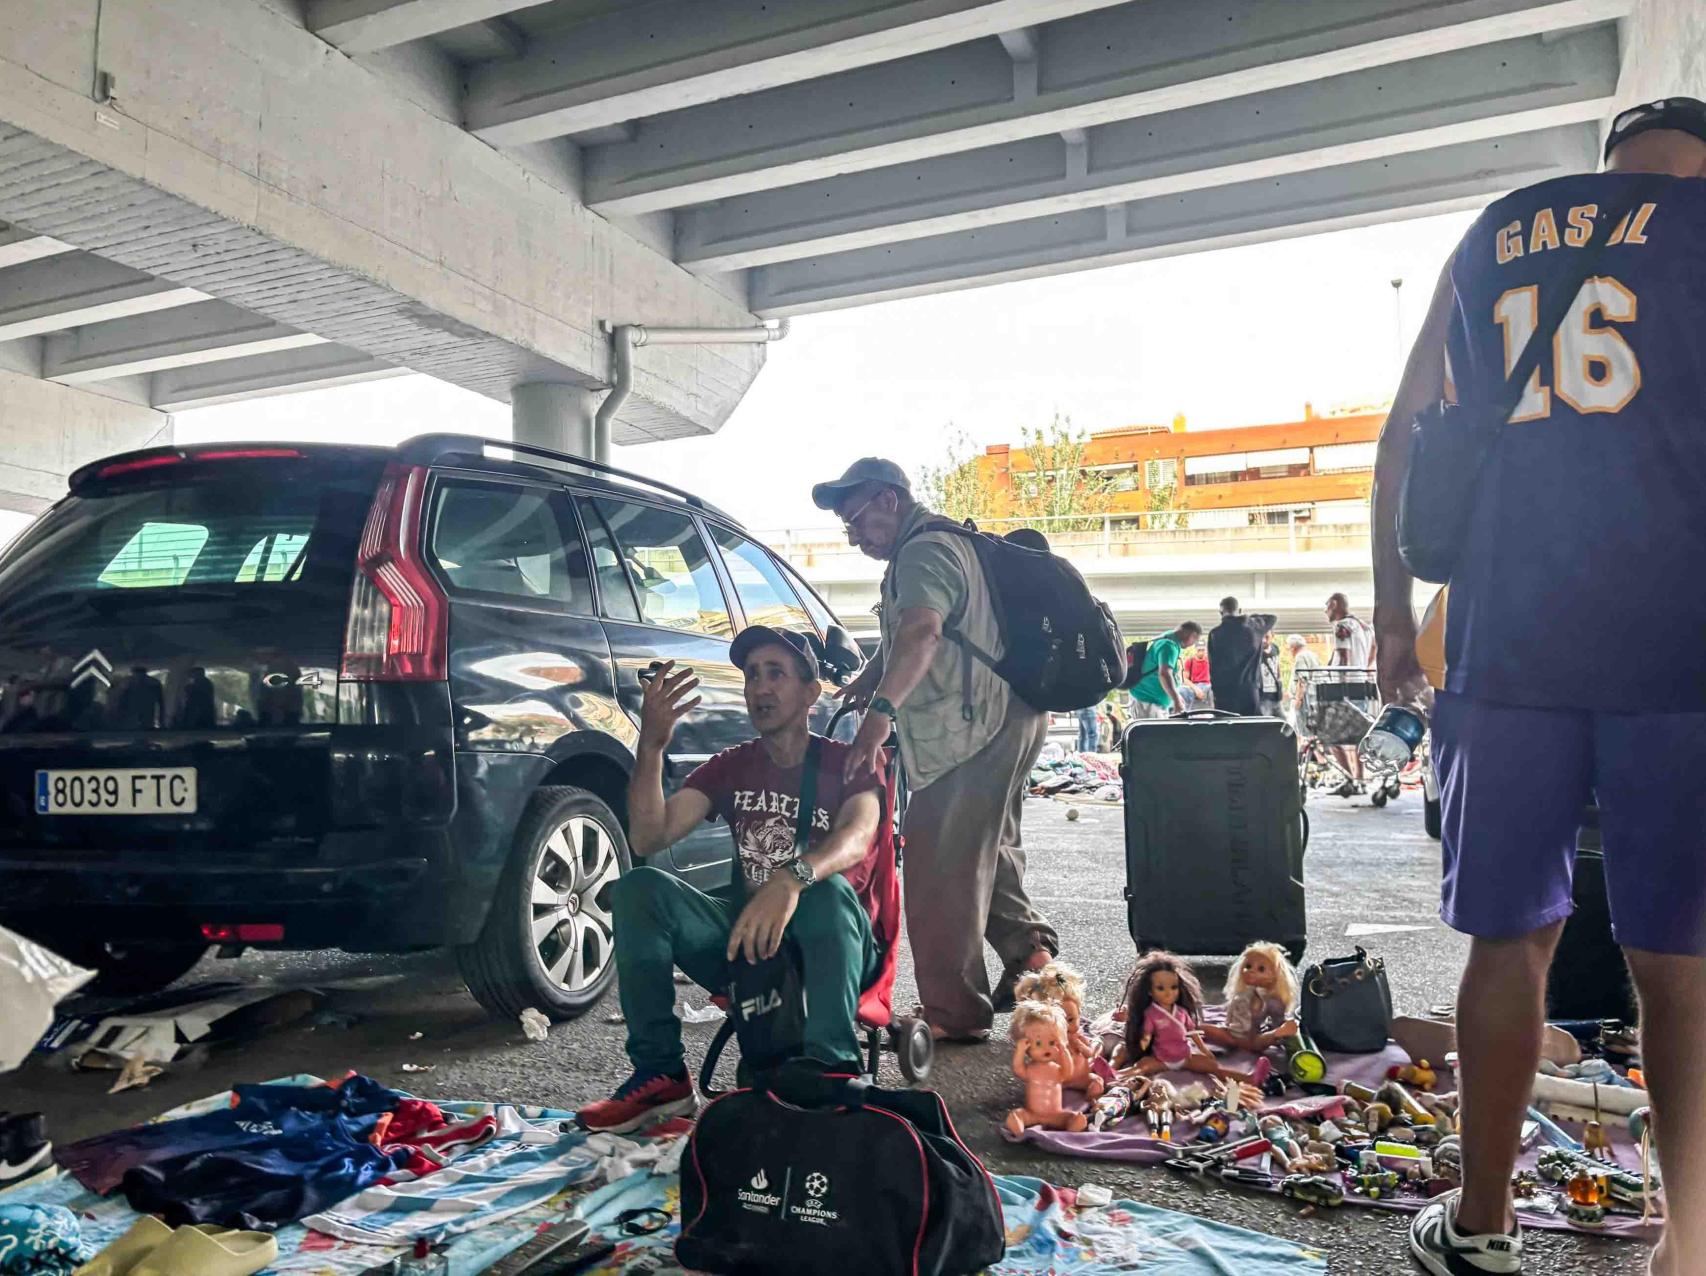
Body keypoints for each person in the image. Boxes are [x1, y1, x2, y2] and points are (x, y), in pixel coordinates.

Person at [1371, 98, 1706, 1276]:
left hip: (1506, 642)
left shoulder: (1498, 231)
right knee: (1678, 962)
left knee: (1504, 942)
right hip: (1680, 649)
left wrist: (1389, 614)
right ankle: (1685, 1246)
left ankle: (1481, 1225)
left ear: (1611, 159)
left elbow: (1406, 427)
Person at [576, 627, 882, 1133]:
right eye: (752, 676)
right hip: (750, 939)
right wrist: (650, 746)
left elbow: (858, 835)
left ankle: (830, 1070)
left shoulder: (841, 762)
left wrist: (793, 878)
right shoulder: (732, 766)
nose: (760, 688)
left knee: (825, 889)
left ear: (811, 693)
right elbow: (650, 835)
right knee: (639, 888)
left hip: (833, 943)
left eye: (776, 674)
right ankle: (661, 1075)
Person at [812, 458, 1058, 1041]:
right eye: (847, 527)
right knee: (986, 848)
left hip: (972, 727)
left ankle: (954, 1014)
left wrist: (878, 718)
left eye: (859, 520)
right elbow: (922, 633)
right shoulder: (948, 542)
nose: (855, 536)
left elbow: (923, 633)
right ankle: (1037, 967)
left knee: (939, 868)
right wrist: (871, 677)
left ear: (891, 500)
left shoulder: (922, 553)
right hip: (1013, 716)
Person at [1325, 591, 1375, 795]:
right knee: (1358, 736)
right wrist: (1362, 668)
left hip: (1343, 689)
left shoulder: (1341, 626)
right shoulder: (1364, 626)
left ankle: (1349, 778)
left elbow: (1343, 656)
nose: (1325, 611)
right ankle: (1361, 780)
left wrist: (1341, 684)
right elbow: (1374, 650)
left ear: (1335, 604)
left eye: (1327, 606)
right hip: (1361, 684)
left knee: (1331, 737)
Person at [1206, 597, 1279, 717]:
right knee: (1251, 728)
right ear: (1239, 610)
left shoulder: (1215, 634)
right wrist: (1246, 618)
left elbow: (1213, 667)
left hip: (1224, 694)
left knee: (1226, 729)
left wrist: (1215, 693)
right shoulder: (1253, 627)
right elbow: (1272, 618)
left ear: (1221, 613)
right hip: (1249, 691)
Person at [1128, 622, 1200, 720]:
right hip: (1147, 704)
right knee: (1153, 735)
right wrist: (1176, 700)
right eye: (1195, 639)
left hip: (1150, 703)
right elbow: (1165, 674)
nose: (1193, 644)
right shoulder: (1168, 646)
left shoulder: (1167, 640)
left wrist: (1176, 695)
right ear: (1190, 634)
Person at [1286, 634, 1321, 734]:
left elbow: (1302, 680)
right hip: (1313, 698)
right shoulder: (1313, 655)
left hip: (1304, 700)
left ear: (1293, 647)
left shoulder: (1300, 657)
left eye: (1289, 648)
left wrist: (1298, 699)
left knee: (1302, 729)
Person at [1257, 622, 1284, 718]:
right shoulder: (1256, 652)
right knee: (1266, 722)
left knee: (1283, 721)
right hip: (1263, 696)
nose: (1264, 640)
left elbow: (1277, 664)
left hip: (1276, 694)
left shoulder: (1275, 648)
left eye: (1267, 637)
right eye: (1262, 637)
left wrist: (1279, 679)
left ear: (1273, 636)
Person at [1179, 643, 1212, 710]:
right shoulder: (1190, 661)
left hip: (1207, 686)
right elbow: (1185, 679)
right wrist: (1196, 689)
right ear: (1195, 650)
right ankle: (1189, 711)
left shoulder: (1210, 661)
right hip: (1194, 686)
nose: (1201, 652)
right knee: (1180, 690)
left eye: (1203, 650)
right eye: (1199, 650)